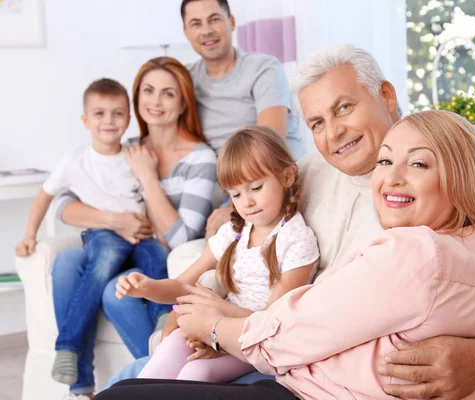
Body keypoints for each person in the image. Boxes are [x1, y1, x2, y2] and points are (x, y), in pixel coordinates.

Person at [105, 45, 475, 399]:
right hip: (258, 353)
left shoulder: (439, 192)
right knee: (130, 379)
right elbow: (247, 243)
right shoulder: (304, 175)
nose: (333, 133)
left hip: (294, 373)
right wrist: (200, 310)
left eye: (343, 108)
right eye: (316, 122)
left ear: (386, 95)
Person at [53, 57, 217, 398]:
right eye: (148, 91)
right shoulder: (122, 146)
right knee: (66, 262)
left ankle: (155, 380)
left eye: (168, 94)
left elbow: (182, 237)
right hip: (117, 247)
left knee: (118, 293)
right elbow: (62, 204)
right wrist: (115, 221)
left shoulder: (200, 158)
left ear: (184, 101)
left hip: (158, 259)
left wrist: (147, 177)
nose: (155, 102)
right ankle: (78, 381)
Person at [115, 126, 319, 383]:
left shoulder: (297, 241)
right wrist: (146, 287)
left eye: (256, 187)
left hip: (255, 340)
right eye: (235, 194)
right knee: (176, 343)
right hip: (219, 328)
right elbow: (181, 285)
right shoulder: (234, 232)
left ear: (287, 176)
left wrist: (217, 321)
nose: (247, 201)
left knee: (197, 372)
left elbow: (272, 321)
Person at [14, 78, 172, 390]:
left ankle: (163, 321)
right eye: (99, 114)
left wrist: (156, 233)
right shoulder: (75, 160)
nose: (109, 121)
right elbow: (46, 195)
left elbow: (150, 201)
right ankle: (69, 345)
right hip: (103, 235)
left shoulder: (135, 156)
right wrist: (30, 234)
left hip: (140, 236)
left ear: (128, 118)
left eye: (117, 114)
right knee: (105, 256)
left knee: (157, 255)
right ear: (85, 120)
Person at [179, 0, 307, 237]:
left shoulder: (263, 68)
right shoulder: (186, 79)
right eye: (196, 23)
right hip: (227, 185)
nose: (206, 30)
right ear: (186, 32)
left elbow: (269, 144)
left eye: (214, 19)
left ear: (232, 22)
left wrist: (233, 207)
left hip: (268, 177)